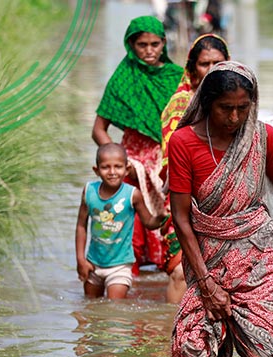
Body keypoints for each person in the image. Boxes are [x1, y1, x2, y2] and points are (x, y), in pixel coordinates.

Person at [167, 61, 273, 357]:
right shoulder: (183, 143)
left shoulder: (263, 138)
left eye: (242, 109)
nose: (233, 118)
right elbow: (182, 219)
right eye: (225, 109)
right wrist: (206, 282)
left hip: (257, 256)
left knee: (262, 355)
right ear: (207, 104)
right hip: (208, 255)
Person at [91, 15, 184, 293]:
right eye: (141, 44)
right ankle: (126, 288)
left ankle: (162, 287)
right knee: (128, 232)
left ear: (164, 44)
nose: (148, 50)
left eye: (155, 44)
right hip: (131, 167)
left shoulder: (177, 77)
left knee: (166, 227)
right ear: (131, 45)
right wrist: (120, 161)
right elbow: (98, 130)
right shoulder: (123, 77)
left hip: (167, 164)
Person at [158, 33, 230, 304]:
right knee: (179, 270)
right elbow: (172, 161)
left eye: (218, 63)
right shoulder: (180, 105)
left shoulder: (236, 103)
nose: (212, 70)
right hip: (182, 195)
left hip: (225, 200)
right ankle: (171, 334)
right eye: (204, 64)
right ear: (191, 69)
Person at [75, 143, 166, 300]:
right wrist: (80, 260)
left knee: (115, 311)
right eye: (105, 167)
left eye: (118, 167)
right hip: (93, 264)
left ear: (127, 170)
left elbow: (148, 222)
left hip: (120, 265)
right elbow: (81, 226)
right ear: (96, 170)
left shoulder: (132, 195)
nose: (112, 172)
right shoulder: (89, 191)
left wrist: (160, 218)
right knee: (90, 309)